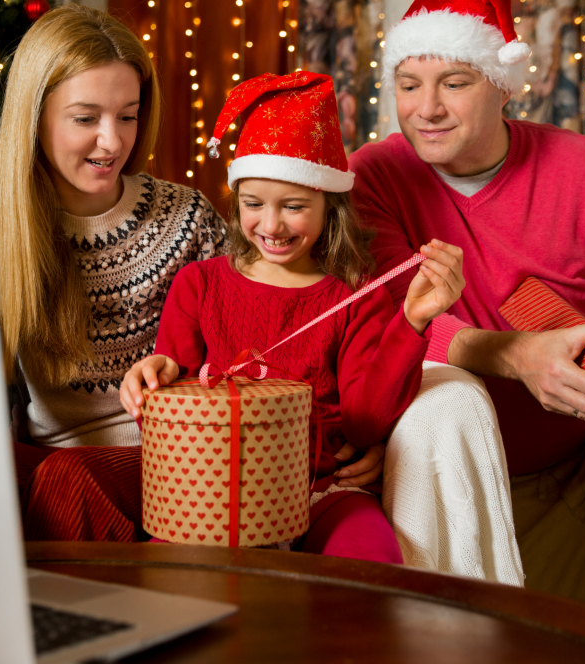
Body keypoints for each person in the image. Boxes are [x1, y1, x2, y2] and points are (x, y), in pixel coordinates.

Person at [352, 0, 585, 630]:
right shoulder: (375, 176)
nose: (426, 108)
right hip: (492, 477)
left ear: (502, 86)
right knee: (527, 639)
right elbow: (391, 328)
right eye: (409, 85)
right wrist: (518, 355)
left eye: (454, 83)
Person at [119, 71, 466, 561]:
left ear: (330, 206)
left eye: (295, 206)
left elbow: (365, 423)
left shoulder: (358, 298)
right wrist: (156, 374)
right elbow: (170, 391)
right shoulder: (199, 285)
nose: (272, 224)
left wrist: (411, 321)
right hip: (218, 490)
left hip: (324, 490)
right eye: (253, 203)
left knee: (374, 560)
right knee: (175, 572)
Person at [0, 5, 224, 542]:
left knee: (64, 478)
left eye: (127, 115)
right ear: (36, 118)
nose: (113, 142)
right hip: (49, 462)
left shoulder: (188, 218)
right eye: (85, 118)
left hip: (169, 458)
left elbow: (253, 338)